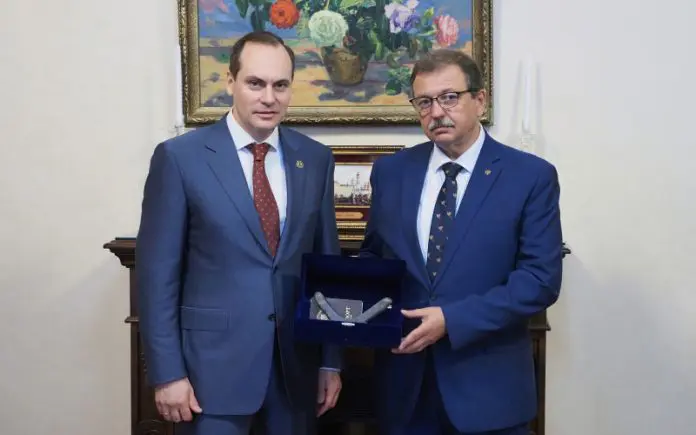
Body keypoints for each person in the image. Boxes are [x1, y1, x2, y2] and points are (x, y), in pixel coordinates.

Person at [135, 31, 342, 435]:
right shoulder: (180, 158)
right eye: (255, 83)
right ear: (230, 82)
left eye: (280, 85)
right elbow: (157, 277)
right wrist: (167, 373)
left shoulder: (315, 158)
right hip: (208, 376)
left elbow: (327, 268)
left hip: (295, 371)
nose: (269, 98)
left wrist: (330, 361)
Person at [360, 49, 563, 435]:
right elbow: (375, 255)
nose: (436, 112)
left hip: (489, 393)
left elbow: (539, 281)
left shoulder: (530, 176)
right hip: (405, 389)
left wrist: (452, 320)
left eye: (449, 97)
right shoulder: (391, 171)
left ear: (480, 100)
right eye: (424, 102)